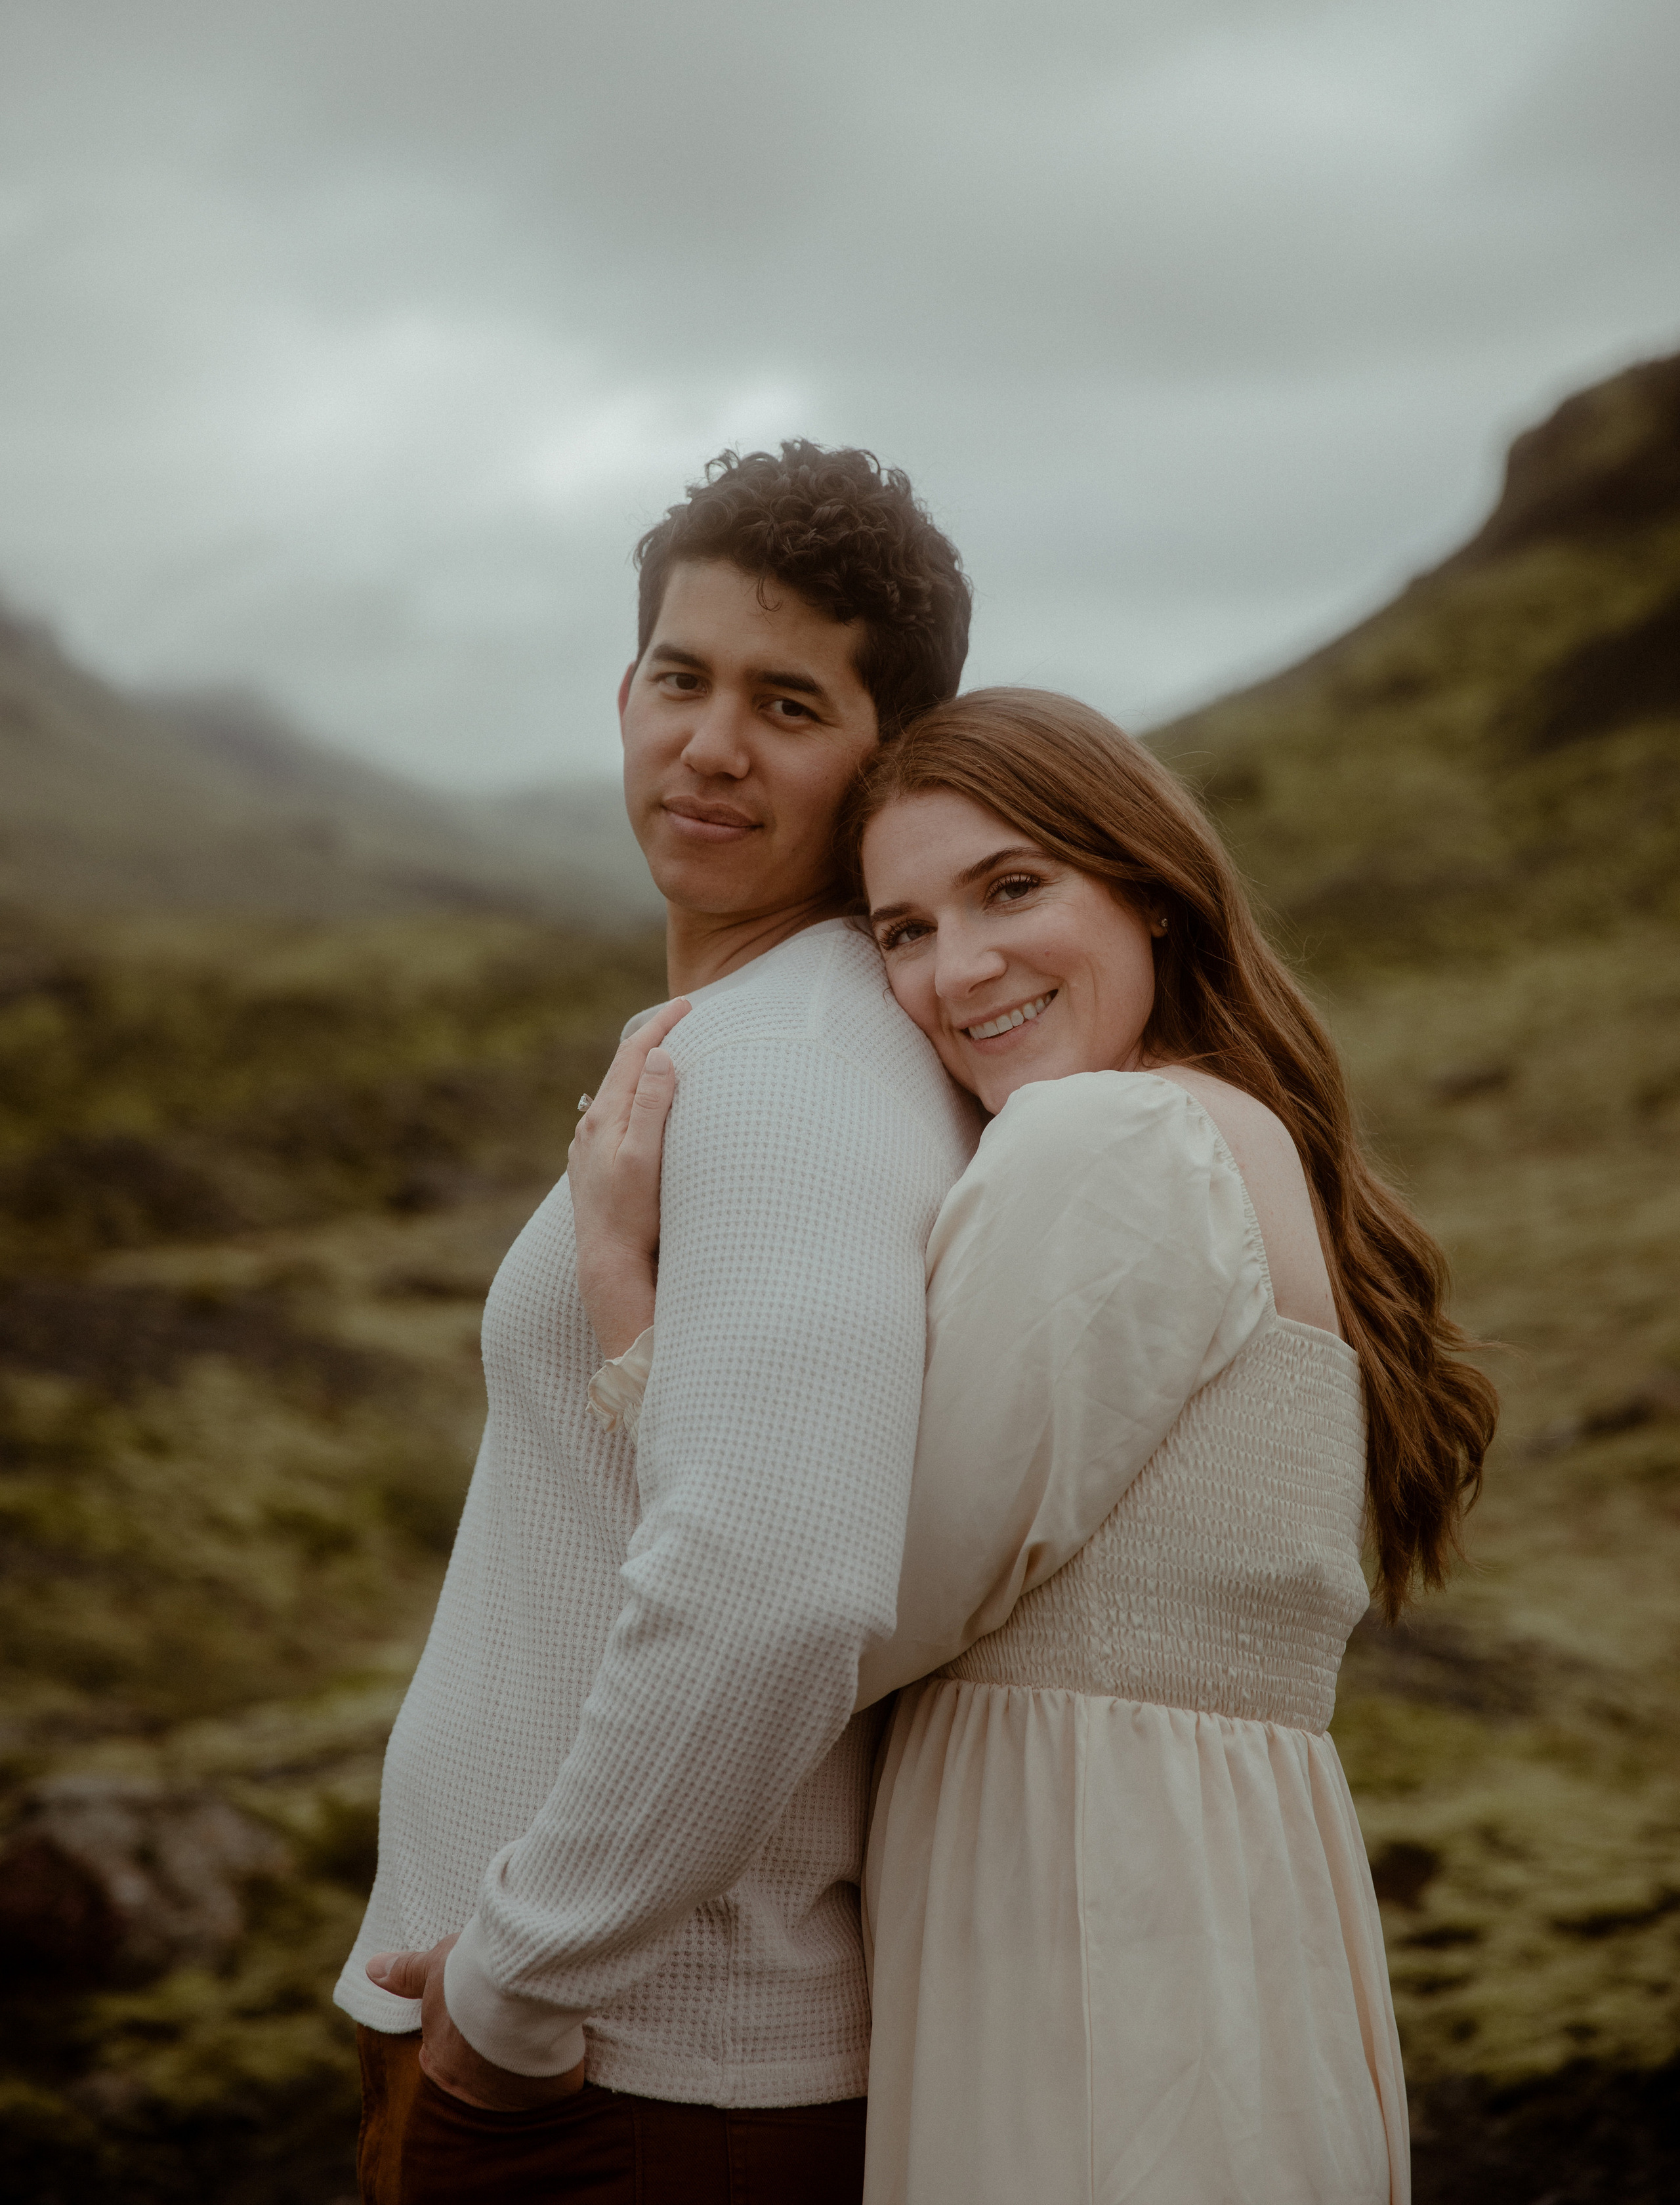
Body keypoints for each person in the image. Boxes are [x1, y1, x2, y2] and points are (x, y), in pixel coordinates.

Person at [574, 686, 1498, 2205]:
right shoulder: (1227, 1132)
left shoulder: (1102, 1144)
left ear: (1143, 883)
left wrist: (625, 1295)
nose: (961, 968)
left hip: (1081, 1927)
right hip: (1219, 1922)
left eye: (1010, 889)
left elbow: (848, 1585)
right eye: (903, 930)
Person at [335, 443, 978, 2205]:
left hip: (624, 2090)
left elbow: (780, 1580)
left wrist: (520, 1991)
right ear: (624, 689)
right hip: (595, 2065)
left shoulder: (789, 1071)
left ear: (884, 757)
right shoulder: (755, 1036)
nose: (710, 741)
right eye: (680, 678)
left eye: (788, 701)